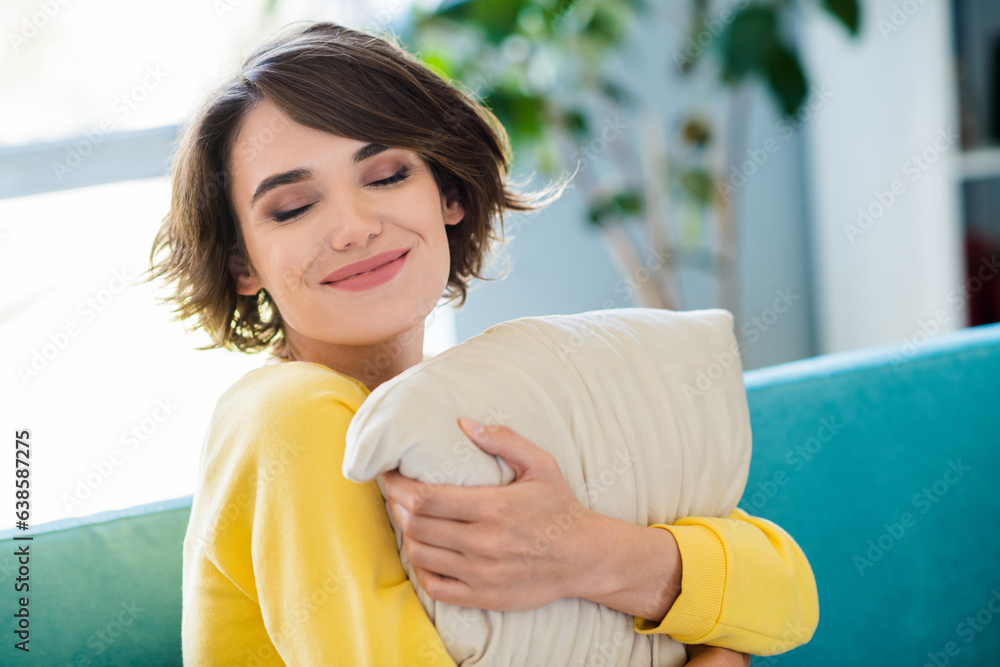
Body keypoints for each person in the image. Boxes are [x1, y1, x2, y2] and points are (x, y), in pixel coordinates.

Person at [149, 20, 817, 666]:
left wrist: (584, 552)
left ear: (448, 192)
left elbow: (790, 598)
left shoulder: (477, 404)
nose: (352, 227)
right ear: (242, 263)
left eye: (385, 175)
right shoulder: (286, 413)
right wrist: (713, 637)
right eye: (292, 207)